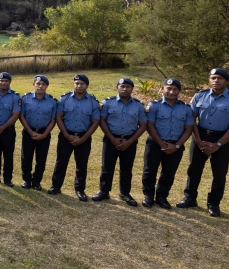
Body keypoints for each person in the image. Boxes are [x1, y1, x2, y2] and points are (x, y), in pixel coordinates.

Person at [177, 68, 229, 217]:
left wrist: (218, 144)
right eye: (213, 78)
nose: (216, 81)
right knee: (194, 169)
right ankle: (190, 198)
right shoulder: (200, 96)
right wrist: (198, 140)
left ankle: (214, 204)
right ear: (209, 80)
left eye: (220, 78)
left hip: (222, 140)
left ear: (226, 81)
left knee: (219, 173)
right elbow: (191, 119)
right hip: (201, 135)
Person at [92, 78, 147, 207]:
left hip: (130, 140)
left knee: (127, 168)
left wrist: (130, 141)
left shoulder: (138, 105)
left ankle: (125, 193)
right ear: (117, 87)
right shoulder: (108, 103)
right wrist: (112, 138)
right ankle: (104, 191)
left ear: (132, 89)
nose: (124, 89)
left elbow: (143, 124)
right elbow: (102, 121)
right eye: (122, 86)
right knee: (107, 167)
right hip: (111, 139)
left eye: (128, 86)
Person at [142, 78, 194, 209]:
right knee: (149, 171)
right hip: (155, 144)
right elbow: (150, 125)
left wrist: (176, 146)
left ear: (179, 91)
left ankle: (161, 197)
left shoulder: (186, 108)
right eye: (168, 88)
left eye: (175, 89)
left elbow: (189, 129)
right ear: (162, 89)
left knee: (169, 173)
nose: (172, 91)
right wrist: (161, 143)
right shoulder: (154, 105)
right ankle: (148, 196)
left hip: (176, 146)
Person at [49, 74, 100, 201]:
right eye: (76, 83)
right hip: (66, 136)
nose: (79, 86)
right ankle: (56, 186)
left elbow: (95, 122)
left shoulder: (93, 101)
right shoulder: (65, 98)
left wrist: (83, 139)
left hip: (84, 137)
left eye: (82, 84)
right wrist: (66, 134)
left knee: (81, 164)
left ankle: (80, 189)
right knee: (61, 162)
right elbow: (59, 117)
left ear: (87, 85)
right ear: (73, 84)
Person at [19, 75, 57, 191]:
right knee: (26, 157)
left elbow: (53, 120)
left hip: (44, 133)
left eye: (43, 84)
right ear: (34, 84)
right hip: (28, 131)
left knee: (41, 159)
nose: (40, 86)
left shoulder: (53, 101)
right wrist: (30, 132)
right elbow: (22, 116)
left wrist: (44, 134)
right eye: (38, 84)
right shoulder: (25, 98)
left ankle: (36, 181)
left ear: (46, 86)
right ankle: (26, 180)